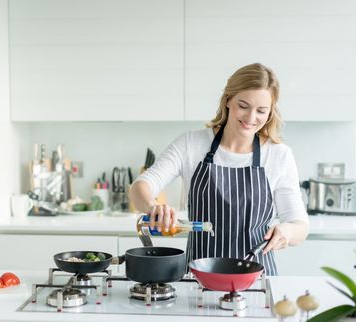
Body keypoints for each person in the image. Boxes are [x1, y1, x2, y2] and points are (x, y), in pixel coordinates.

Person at [129, 63, 309, 275]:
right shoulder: (191, 144)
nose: (251, 118)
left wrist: (287, 231)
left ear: (270, 113)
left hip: (257, 283)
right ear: (227, 101)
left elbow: (300, 226)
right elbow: (140, 187)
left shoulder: (279, 155)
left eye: (261, 111)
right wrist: (152, 208)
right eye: (243, 106)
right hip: (199, 281)